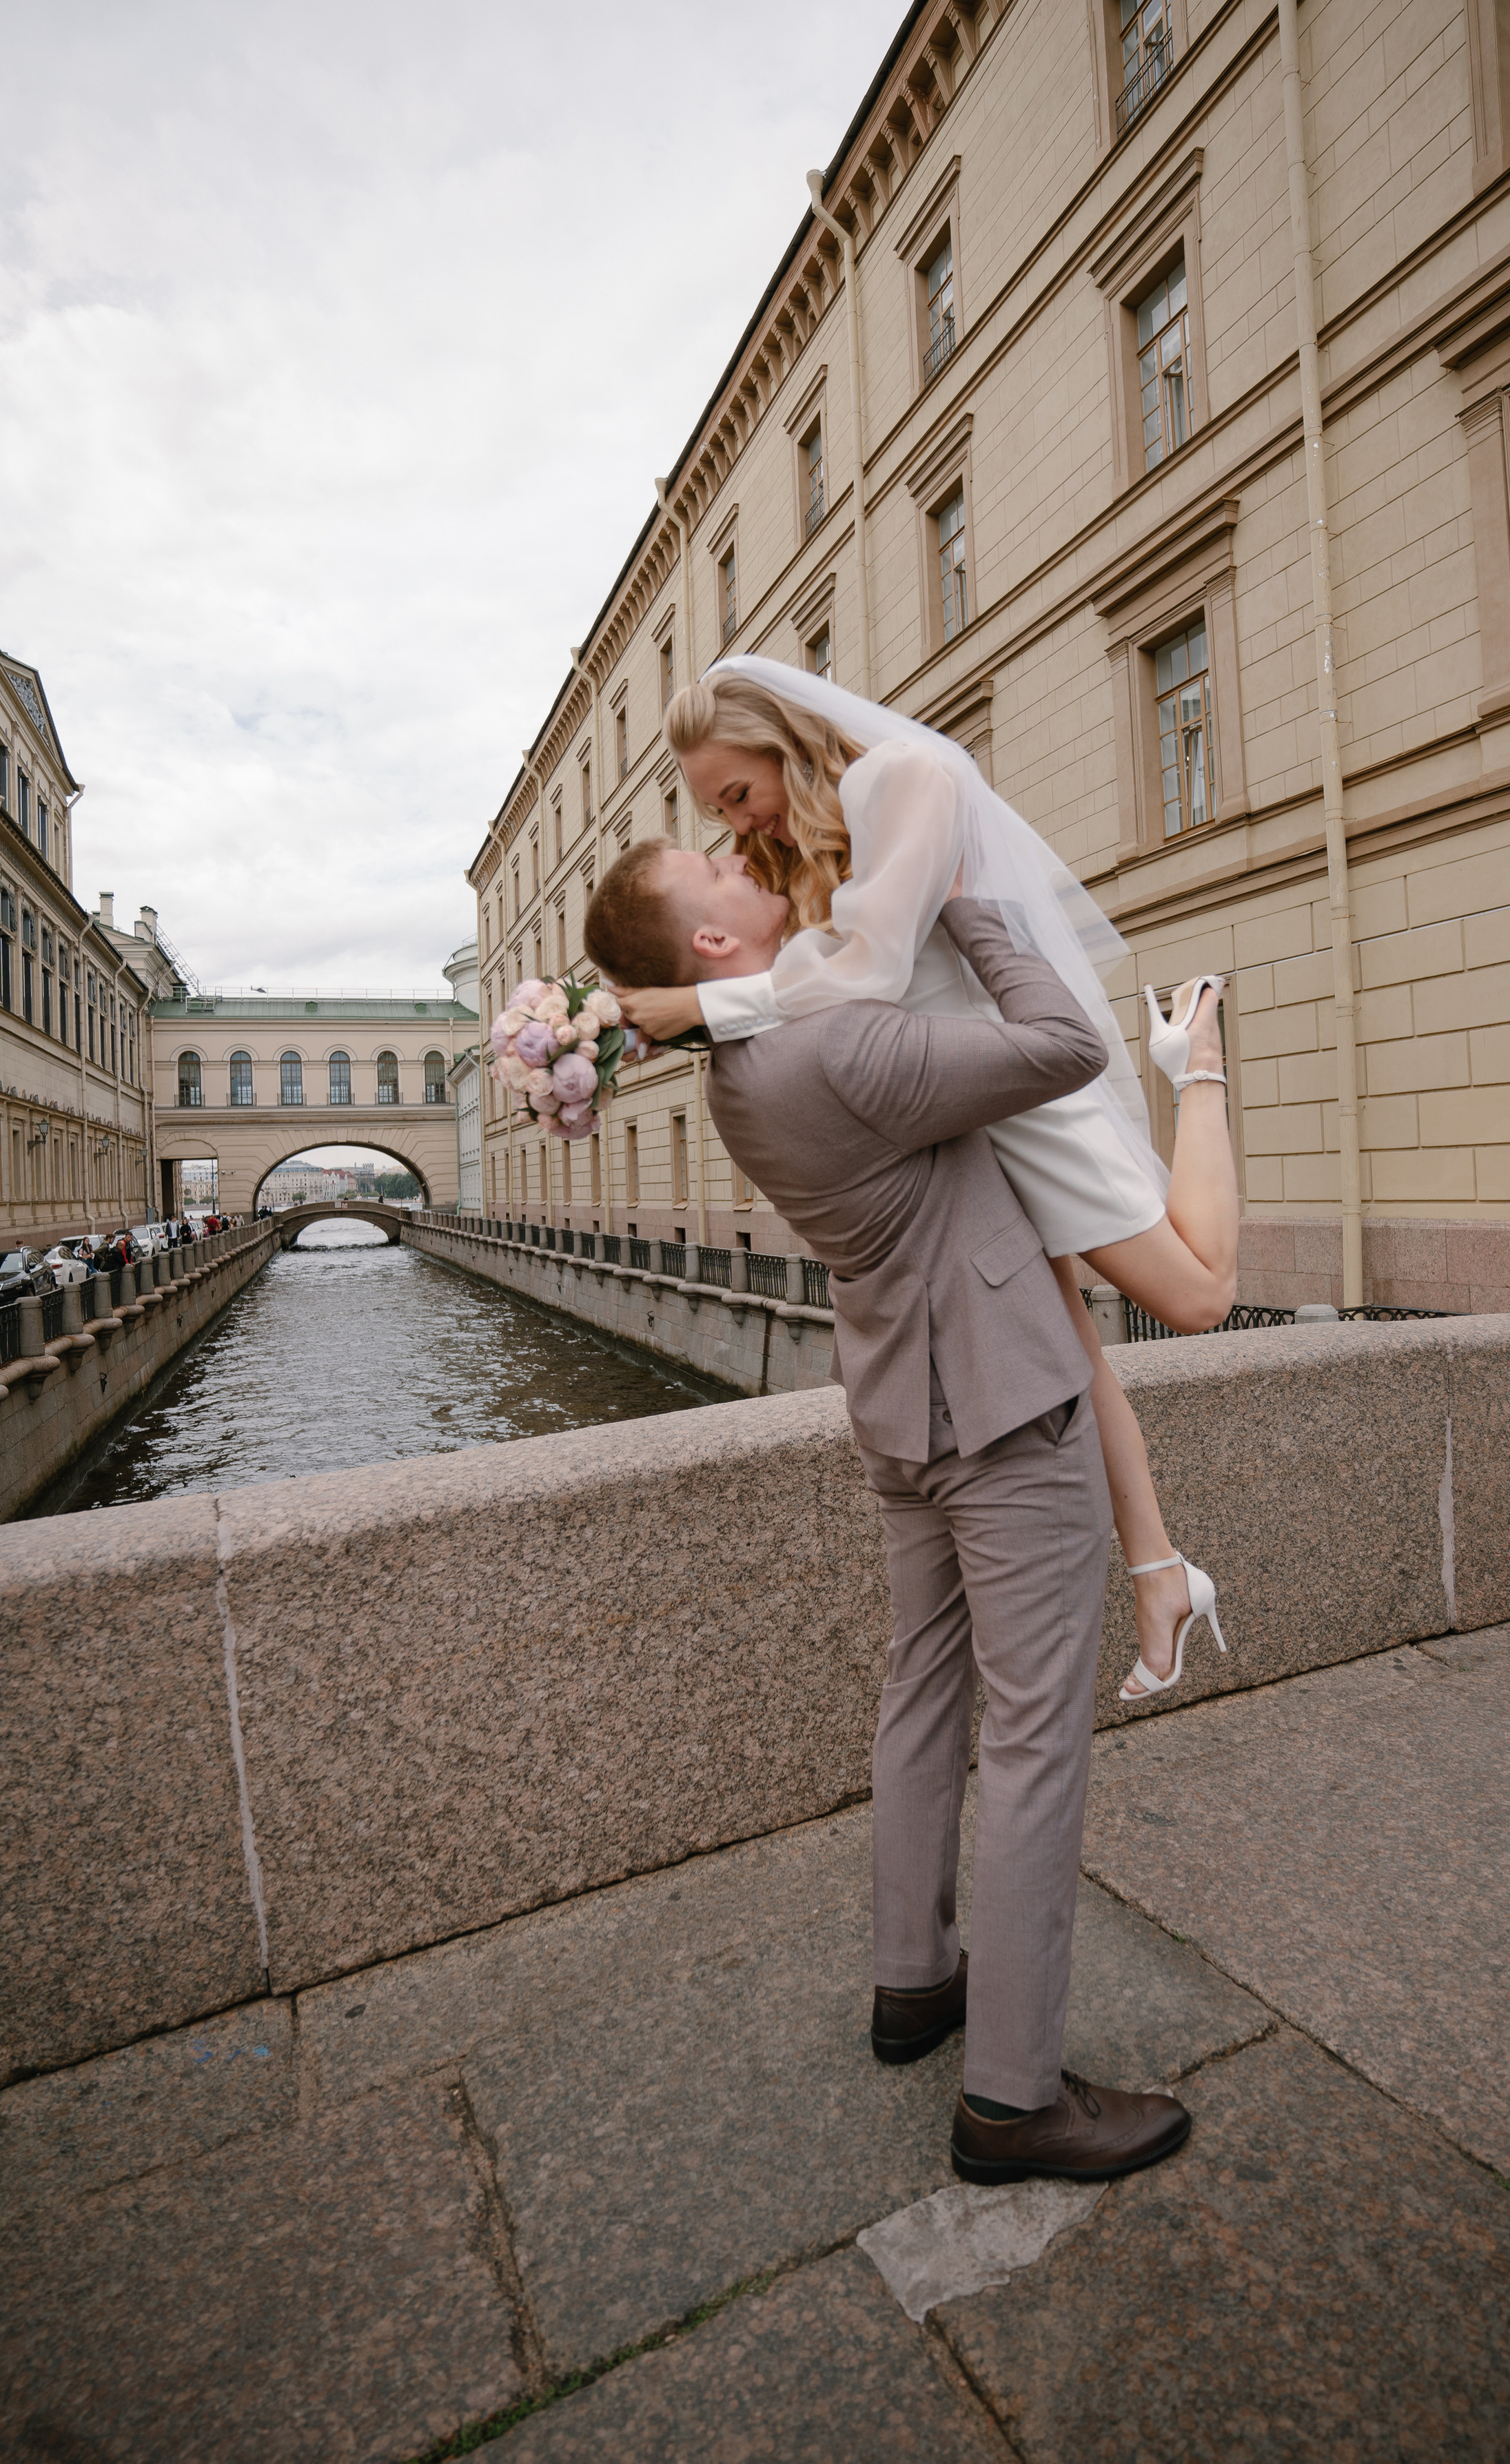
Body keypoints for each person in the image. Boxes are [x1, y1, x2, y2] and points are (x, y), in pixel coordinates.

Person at [589, 850, 1192, 2183]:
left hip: (901, 1412)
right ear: (707, 937)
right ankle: (1015, 2098)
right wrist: (968, 890)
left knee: (922, 1687)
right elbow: (1066, 1043)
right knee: (1035, 1735)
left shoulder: (745, 1069)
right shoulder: (842, 1048)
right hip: (1001, 1404)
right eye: (718, 867)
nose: (746, 860)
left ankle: (915, 1980)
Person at [618, 660, 1236, 1705]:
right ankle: (1160, 1575)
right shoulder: (810, 833)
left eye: (737, 793)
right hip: (954, 1111)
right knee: (1075, 1353)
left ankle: (1200, 1068)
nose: (738, 823)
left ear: (783, 741)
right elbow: (802, 980)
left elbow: (870, 967)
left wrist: (704, 1010)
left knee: (1198, 1295)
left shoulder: (903, 777)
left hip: (1022, 1088)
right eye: (718, 809)